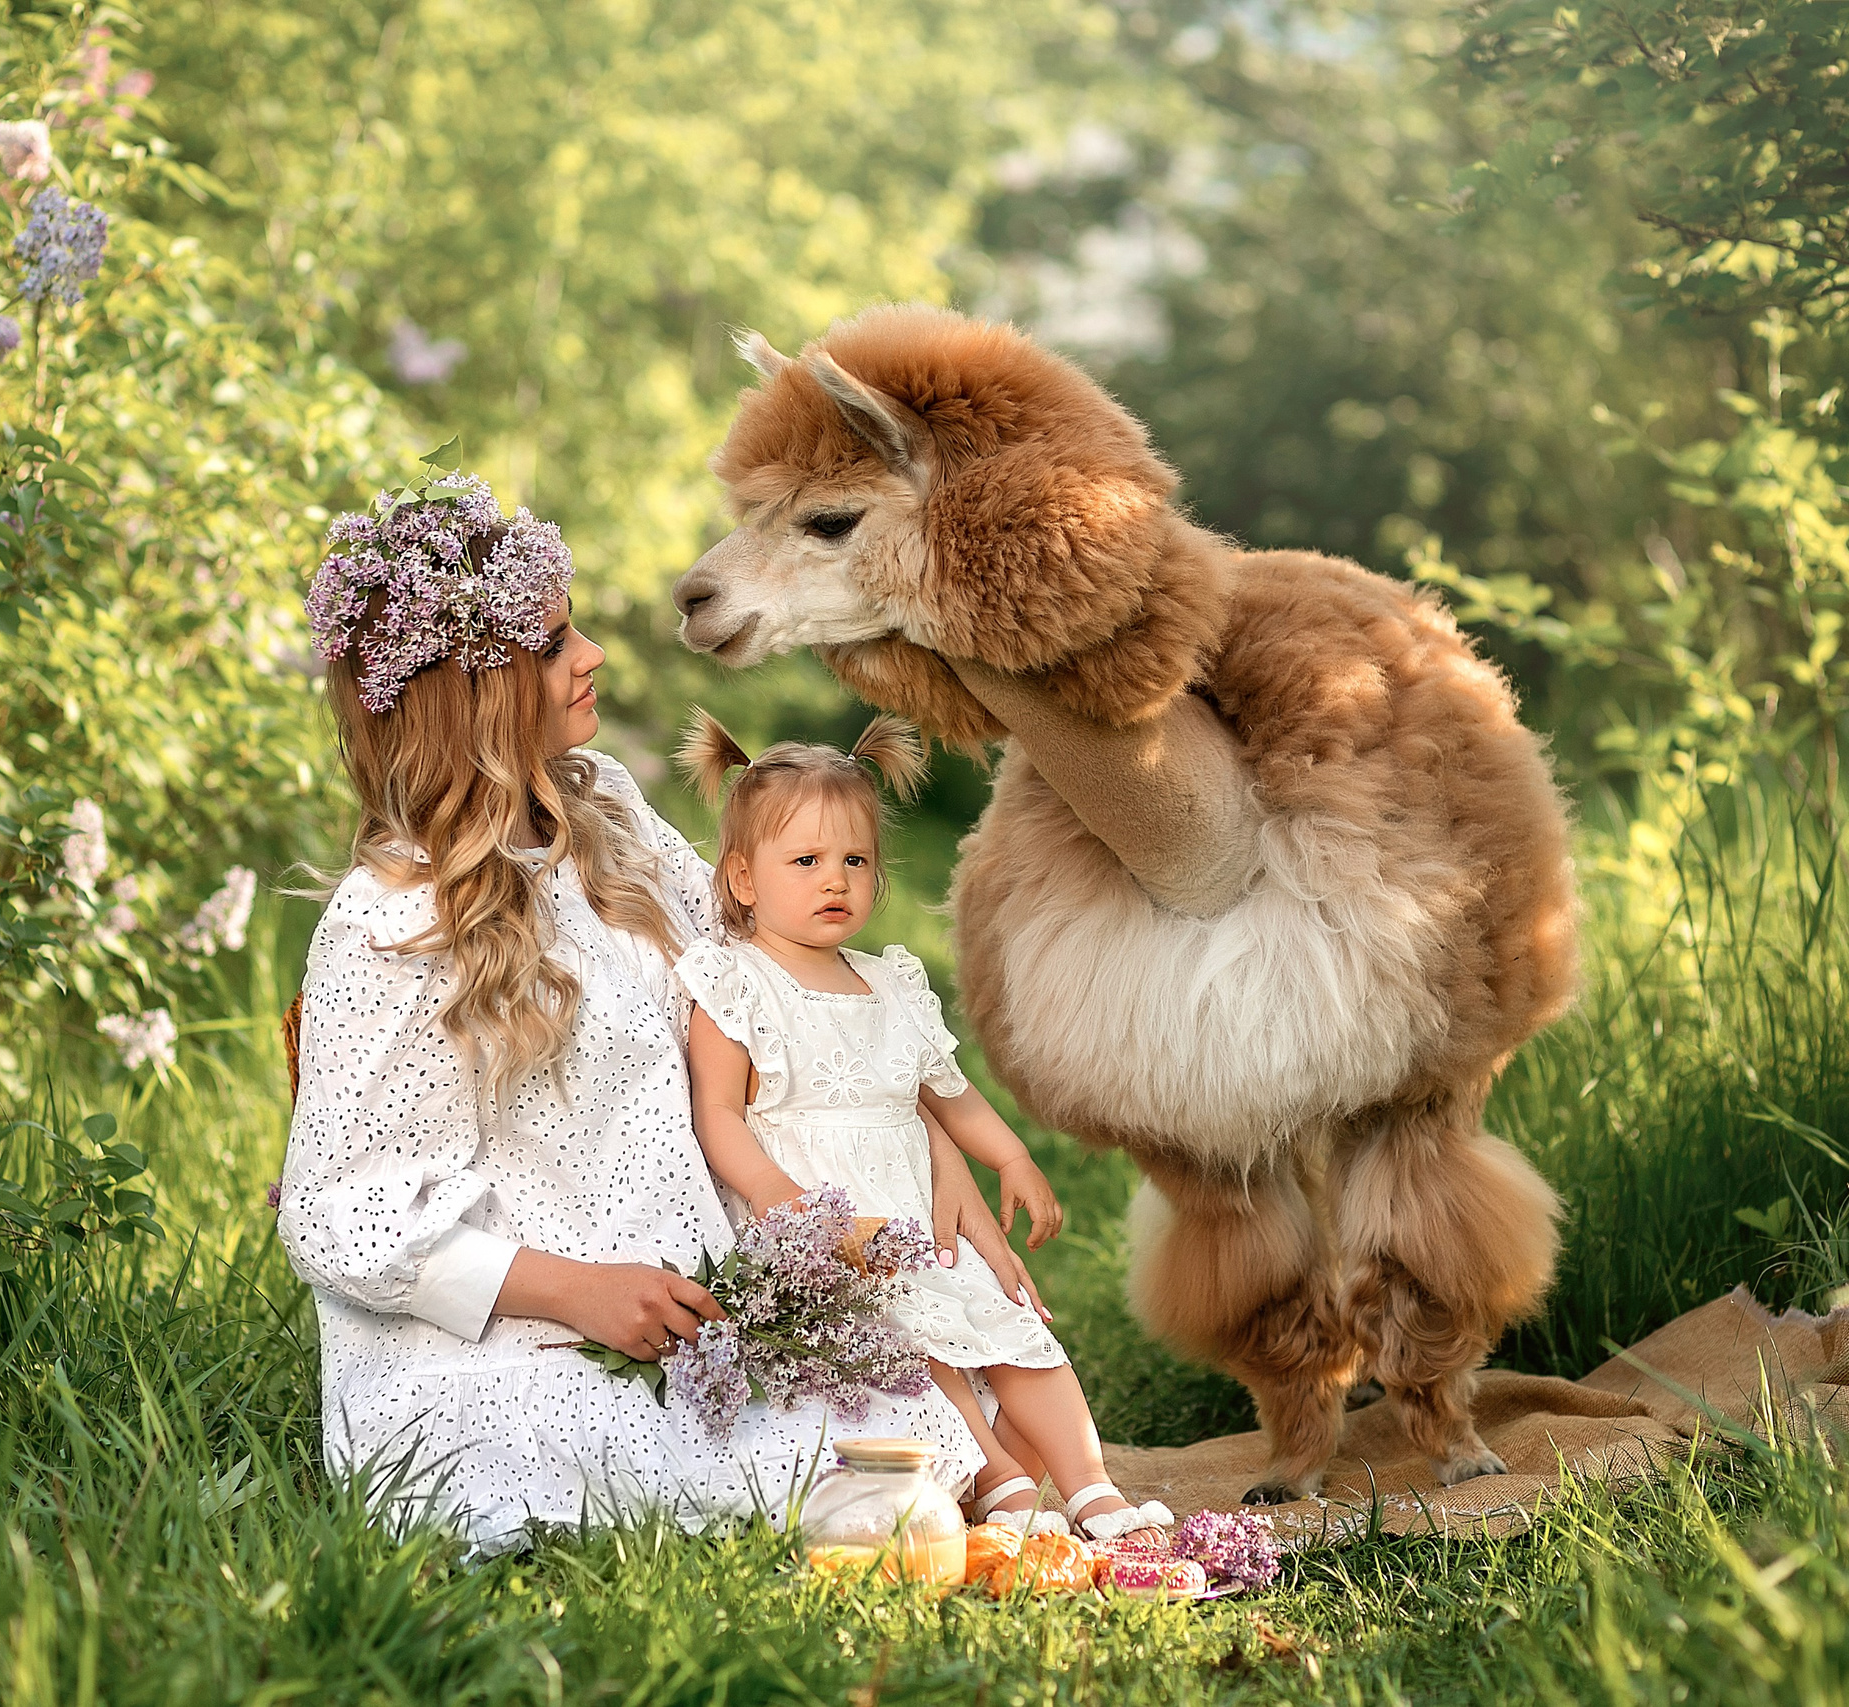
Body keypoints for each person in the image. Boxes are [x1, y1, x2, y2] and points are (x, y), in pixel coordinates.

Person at [275, 472, 1026, 1550]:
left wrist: (933, 1145)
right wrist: (576, 1293)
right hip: (512, 1337)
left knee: (931, 1415)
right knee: (818, 1490)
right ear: (471, 695)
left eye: (573, 628)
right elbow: (336, 1212)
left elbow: (755, 975)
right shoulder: (392, 922)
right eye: (551, 645)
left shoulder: (604, 815)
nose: (590, 658)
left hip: (692, 1296)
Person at [672, 711, 1177, 1543]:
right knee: (912, 1349)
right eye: (805, 861)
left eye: (855, 861)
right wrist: (786, 1203)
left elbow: (948, 1093)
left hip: (916, 1215)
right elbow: (719, 1113)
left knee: (1015, 1333)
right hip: (824, 1224)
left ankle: (1091, 1484)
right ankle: (1001, 1478)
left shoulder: (891, 983)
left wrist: (1012, 1157)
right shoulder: (735, 982)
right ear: (743, 879)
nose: (835, 880)